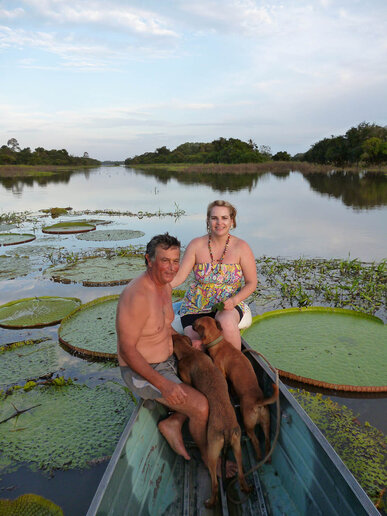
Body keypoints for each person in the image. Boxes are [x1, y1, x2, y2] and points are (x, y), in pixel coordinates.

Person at [116, 233, 209, 463]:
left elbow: (164, 327)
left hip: (168, 360)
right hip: (143, 370)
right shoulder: (136, 296)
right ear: (149, 260)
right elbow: (127, 350)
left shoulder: (164, 286)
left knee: (210, 380)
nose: (171, 267)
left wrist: (189, 345)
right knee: (201, 406)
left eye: (176, 261)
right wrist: (164, 385)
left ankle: (174, 422)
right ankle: (209, 460)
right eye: (164, 260)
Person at [171, 200, 257, 350]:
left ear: (232, 221)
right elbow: (179, 277)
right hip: (195, 306)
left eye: (224, 218)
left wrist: (234, 300)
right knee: (197, 345)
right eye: (214, 218)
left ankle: (234, 367)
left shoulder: (241, 247)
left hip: (228, 305)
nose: (219, 223)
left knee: (227, 324)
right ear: (208, 220)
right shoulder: (196, 245)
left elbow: (251, 282)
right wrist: (153, 287)